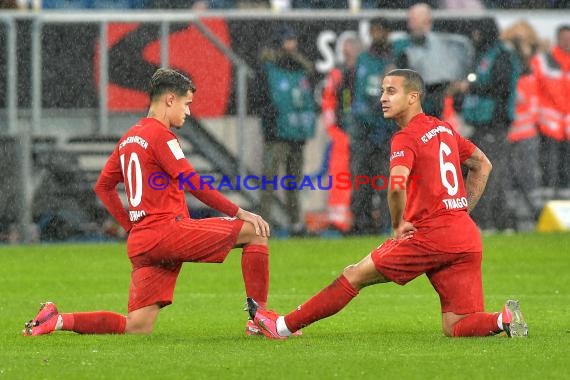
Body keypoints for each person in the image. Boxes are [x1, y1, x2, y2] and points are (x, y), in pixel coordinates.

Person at [247, 69, 528, 339]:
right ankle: (502, 319)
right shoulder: (443, 129)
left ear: (413, 97)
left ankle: (281, 326)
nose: (383, 97)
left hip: (429, 237)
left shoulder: (405, 137)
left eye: (391, 91)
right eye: (382, 91)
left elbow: (396, 185)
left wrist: (396, 224)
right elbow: (482, 164)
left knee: (354, 275)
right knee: (456, 324)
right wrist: (460, 210)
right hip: (464, 235)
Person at [23, 68, 272, 336]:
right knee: (255, 232)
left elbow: (103, 186)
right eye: (186, 104)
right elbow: (193, 182)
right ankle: (259, 321)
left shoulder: (129, 137)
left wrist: (130, 225)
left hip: (143, 242)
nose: (188, 112)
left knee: (137, 327)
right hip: (168, 232)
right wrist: (239, 211)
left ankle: (57, 320)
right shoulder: (161, 136)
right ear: (169, 100)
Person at [455, 18, 521, 232]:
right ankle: (496, 221)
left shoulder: (501, 55)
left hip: (494, 124)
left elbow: (500, 86)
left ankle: (491, 221)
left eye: (476, 33)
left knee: (489, 174)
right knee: (486, 173)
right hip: (478, 124)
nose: (474, 37)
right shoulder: (481, 55)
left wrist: (472, 86)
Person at [254, 25, 316, 235]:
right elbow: (261, 100)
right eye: (287, 40)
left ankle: (295, 224)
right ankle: (262, 225)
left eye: (293, 40)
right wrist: (271, 124)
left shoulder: (302, 69)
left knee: (293, 182)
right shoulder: (267, 69)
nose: (292, 45)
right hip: (276, 134)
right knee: (269, 181)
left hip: (296, 134)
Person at [350, 17, 396, 235]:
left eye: (379, 31)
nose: (376, 35)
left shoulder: (397, 60)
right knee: (361, 181)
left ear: (387, 32)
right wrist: (351, 118)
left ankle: (388, 225)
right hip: (363, 132)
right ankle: (362, 224)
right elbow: (348, 91)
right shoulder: (362, 60)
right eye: (373, 31)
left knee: (388, 182)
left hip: (387, 132)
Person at [393, 3, 473, 118]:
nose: (410, 25)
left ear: (427, 21)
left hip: (439, 103)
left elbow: (452, 81)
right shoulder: (400, 45)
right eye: (410, 20)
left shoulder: (447, 45)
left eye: (414, 20)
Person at [320, 32, 363, 233]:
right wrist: (334, 130)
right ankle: (339, 218)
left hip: (365, 133)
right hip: (343, 134)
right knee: (340, 175)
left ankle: (360, 215)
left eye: (351, 50)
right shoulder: (338, 74)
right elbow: (329, 102)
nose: (347, 55)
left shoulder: (365, 71)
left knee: (364, 176)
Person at [531, 25, 570, 194]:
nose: (567, 42)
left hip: (566, 122)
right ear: (557, 38)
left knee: (565, 161)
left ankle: (564, 192)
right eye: (564, 38)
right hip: (549, 121)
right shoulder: (543, 60)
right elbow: (534, 87)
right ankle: (548, 194)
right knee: (549, 160)